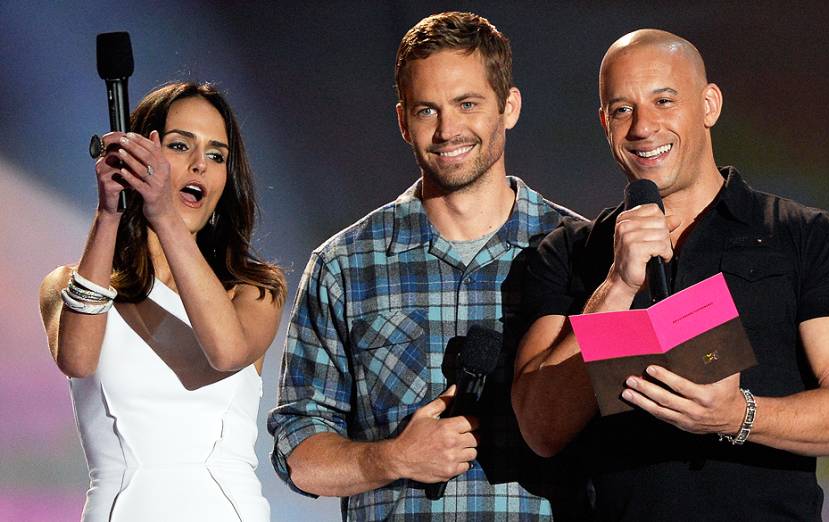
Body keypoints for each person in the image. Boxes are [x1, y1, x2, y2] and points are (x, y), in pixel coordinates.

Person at [511, 29, 829, 520]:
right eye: (622, 109)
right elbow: (543, 429)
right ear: (605, 123)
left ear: (709, 105)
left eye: (664, 100)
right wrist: (618, 286)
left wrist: (737, 416)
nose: (643, 127)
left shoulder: (804, 238)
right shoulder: (569, 252)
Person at [268, 11, 586, 520]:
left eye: (467, 104)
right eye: (426, 110)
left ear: (509, 106)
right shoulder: (344, 266)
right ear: (402, 121)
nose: (448, 129)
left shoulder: (585, 255)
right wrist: (393, 457)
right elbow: (298, 452)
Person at [38, 81, 286, 522]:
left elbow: (227, 351)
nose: (198, 166)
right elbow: (77, 358)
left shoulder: (256, 288)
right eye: (179, 145)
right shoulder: (69, 284)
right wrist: (110, 211)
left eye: (216, 155)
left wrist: (163, 215)